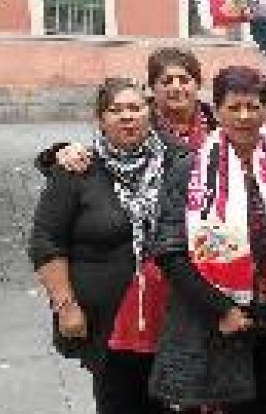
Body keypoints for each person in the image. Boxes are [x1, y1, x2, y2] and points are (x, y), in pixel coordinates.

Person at [149, 66, 266, 413]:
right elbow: (170, 251)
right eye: (234, 107)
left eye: (253, 106)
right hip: (219, 322)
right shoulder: (190, 170)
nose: (244, 116)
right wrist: (222, 309)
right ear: (217, 111)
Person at [29, 78, 188, 414]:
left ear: (150, 113)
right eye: (115, 110)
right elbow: (46, 241)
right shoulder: (77, 169)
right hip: (108, 319)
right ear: (100, 119)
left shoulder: (179, 161)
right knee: (119, 401)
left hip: (173, 313)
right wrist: (66, 306)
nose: (127, 117)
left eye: (134, 108)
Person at [45, 47, 218, 173]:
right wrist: (61, 153)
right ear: (152, 87)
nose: (176, 88)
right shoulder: (135, 122)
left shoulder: (218, 124)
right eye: (167, 81)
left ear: (198, 84)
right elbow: (98, 152)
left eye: (184, 80)